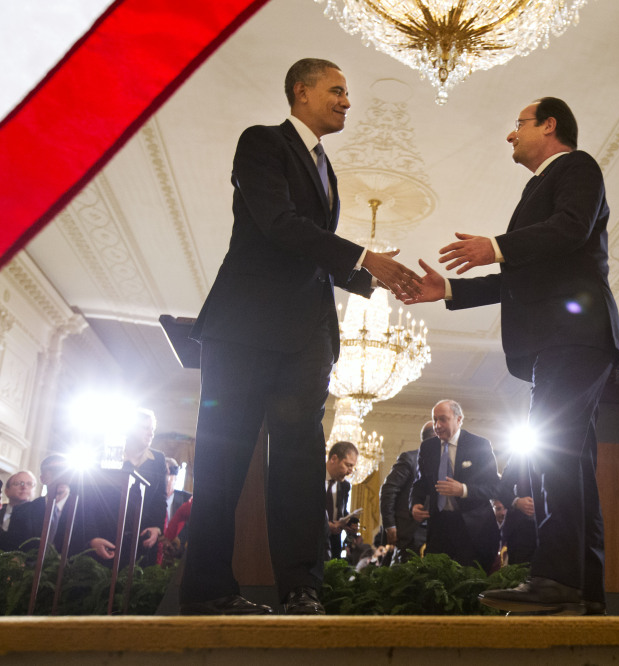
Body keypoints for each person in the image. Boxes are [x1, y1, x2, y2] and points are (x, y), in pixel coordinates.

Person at [178, 58, 420, 616]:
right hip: (245, 331)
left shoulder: (326, 168)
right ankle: (208, 591)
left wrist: (377, 281)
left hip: (305, 337)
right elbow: (279, 226)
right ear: (301, 91)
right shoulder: (262, 142)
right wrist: (365, 257)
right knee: (224, 460)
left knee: (297, 464)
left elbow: (310, 253)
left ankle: (301, 589)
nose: (346, 101)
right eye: (337, 90)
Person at [406, 97, 619, 616]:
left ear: (549, 126)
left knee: (558, 457)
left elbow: (569, 228)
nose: (511, 135)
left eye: (519, 124)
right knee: (572, 459)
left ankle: (557, 578)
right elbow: (521, 274)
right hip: (562, 341)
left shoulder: (577, 167)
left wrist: (497, 245)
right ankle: (586, 585)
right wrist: (451, 292)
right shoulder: (539, 187)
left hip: (573, 335)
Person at [410, 400, 500, 570]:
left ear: (459, 420)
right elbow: (421, 483)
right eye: (435, 419)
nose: (437, 425)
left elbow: (495, 487)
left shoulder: (479, 445)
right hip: (439, 528)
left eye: (443, 419)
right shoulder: (428, 447)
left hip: (471, 529)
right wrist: (415, 504)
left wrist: (463, 490)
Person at [84, 408, 168, 567]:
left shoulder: (158, 460)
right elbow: (88, 499)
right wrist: (92, 537)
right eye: (145, 428)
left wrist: (157, 528)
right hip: (105, 535)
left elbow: (160, 500)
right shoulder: (107, 453)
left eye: (153, 429)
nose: (151, 433)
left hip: (140, 541)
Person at [378, 421, 430, 564]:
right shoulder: (410, 459)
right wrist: (390, 525)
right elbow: (388, 490)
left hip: (434, 533)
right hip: (410, 532)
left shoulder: (446, 465)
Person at [325, 441, 357, 560]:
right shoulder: (311, 479)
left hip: (334, 546)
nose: (350, 471)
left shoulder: (345, 486)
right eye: (348, 465)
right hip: (311, 543)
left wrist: (349, 524)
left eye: (352, 467)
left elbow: (342, 512)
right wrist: (326, 526)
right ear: (334, 458)